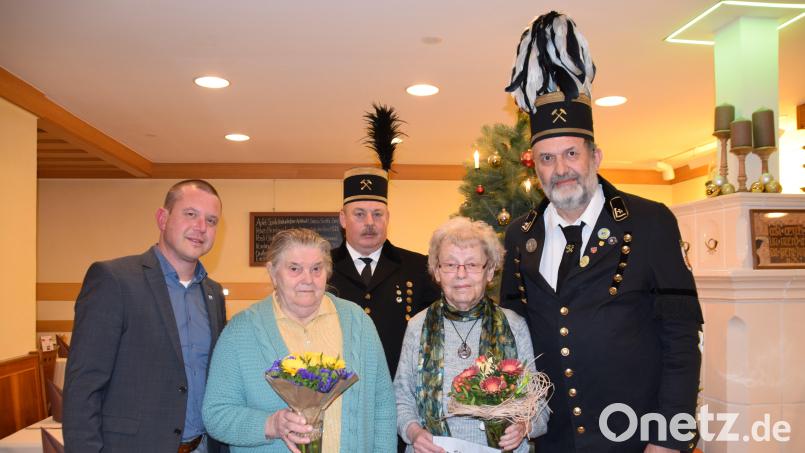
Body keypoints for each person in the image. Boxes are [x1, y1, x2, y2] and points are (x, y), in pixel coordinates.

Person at [500, 11, 703, 453]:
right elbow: (512, 335)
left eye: (571, 153)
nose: (561, 169)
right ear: (534, 167)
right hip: (554, 442)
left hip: (635, 437)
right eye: (547, 158)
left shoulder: (650, 222)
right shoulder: (520, 236)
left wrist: (669, 438)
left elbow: (682, 337)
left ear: (596, 156)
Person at [63, 179, 228, 453]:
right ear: (162, 218)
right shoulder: (114, 280)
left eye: (211, 221)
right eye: (190, 214)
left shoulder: (212, 294)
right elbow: (83, 387)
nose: (201, 227)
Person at [203, 228, 396, 453]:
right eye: (294, 268)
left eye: (317, 269)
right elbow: (216, 414)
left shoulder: (358, 323)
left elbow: (383, 407)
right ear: (273, 272)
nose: (308, 279)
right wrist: (271, 424)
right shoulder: (241, 331)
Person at [395, 217, 549, 453]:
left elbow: (538, 403)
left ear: (489, 272)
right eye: (450, 264)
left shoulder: (514, 325)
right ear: (437, 272)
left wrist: (524, 425)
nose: (461, 274)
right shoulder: (418, 326)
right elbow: (401, 398)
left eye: (472, 264)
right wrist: (414, 432)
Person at [330, 167, 441, 378]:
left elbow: (433, 329)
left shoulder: (418, 267)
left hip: (400, 388)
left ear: (387, 217)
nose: (370, 222)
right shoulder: (322, 267)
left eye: (377, 214)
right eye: (360, 214)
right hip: (337, 389)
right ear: (343, 219)